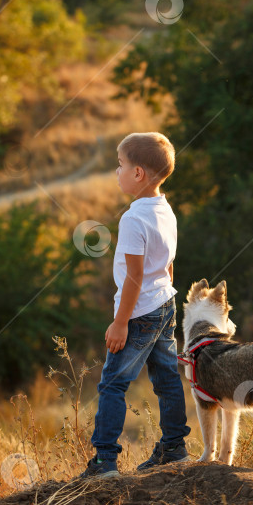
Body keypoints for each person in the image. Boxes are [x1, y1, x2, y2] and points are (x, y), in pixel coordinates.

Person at [80, 131, 190, 478]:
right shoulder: (165, 209)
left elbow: (134, 277)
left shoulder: (132, 219)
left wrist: (120, 322)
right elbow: (168, 262)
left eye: (120, 165)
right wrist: (165, 293)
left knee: (113, 384)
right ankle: (175, 447)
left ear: (138, 173)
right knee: (168, 379)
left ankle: (105, 461)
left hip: (139, 312)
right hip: (165, 304)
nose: (117, 171)